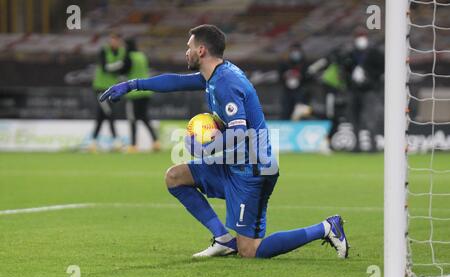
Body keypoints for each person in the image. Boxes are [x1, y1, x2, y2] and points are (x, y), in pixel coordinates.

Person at [100, 25, 349, 259]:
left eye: (188, 47)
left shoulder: (226, 83)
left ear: (201, 50)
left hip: (253, 171)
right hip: (234, 163)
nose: (186, 52)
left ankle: (326, 227)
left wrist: (205, 148)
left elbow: (239, 133)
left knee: (250, 250)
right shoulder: (215, 74)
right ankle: (222, 239)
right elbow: (176, 81)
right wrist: (132, 85)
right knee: (175, 177)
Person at [342, 29, 384, 152]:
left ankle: (373, 145)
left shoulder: (375, 53)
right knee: (354, 118)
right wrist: (350, 77)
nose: (361, 39)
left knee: (370, 118)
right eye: (358, 36)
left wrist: (369, 76)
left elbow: (381, 69)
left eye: (363, 36)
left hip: (369, 90)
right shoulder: (350, 54)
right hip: (354, 90)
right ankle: (356, 146)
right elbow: (344, 70)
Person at [122, 39, 161, 153]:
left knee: (132, 118)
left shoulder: (129, 57)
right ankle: (156, 142)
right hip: (145, 91)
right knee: (144, 117)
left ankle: (133, 145)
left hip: (134, 93)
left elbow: (124, 70)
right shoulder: (141, 56)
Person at [91, 32, 124, 152]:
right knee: (109, 112)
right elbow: (105, 68)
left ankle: (93, 142)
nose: (115, 42)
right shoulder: (103, 51)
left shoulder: (121, 51)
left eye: (117, 39)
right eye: (113, 39)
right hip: (100, 87)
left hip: (112, 87)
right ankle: (116, 140)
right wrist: (119, 65)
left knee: (101, 115)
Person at [278, 42, 310, 120]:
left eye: (297, 50)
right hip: (287, 91)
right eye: (293, 50)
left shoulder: (304, 63)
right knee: (286, 109)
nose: (295, 53)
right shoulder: (284, 63)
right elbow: (280, 77)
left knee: (300, 110)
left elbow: (308, 77)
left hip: (300, 90)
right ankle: (285, 125)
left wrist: (301, 76)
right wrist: (285, 76)